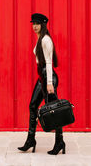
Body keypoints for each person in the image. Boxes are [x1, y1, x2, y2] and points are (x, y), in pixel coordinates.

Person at [17, 13, 66, 155]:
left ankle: (59, 142)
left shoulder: (46, 40)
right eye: (33, 24)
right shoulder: (40, 39)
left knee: (54, 111)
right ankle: (31, 140)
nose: (34, 26)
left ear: (43, 25)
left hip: (48, 78)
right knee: (33, 105)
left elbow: (49, 62)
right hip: (42, 78)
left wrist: (50, 83)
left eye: (37, 24)